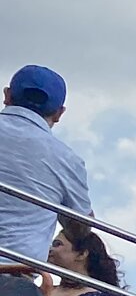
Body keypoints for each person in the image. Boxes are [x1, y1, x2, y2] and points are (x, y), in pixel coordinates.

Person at [0, 66, 89, 276]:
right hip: (12, 282)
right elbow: (81, 227)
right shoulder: (66, 159)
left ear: (7, 95)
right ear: (59, 113)